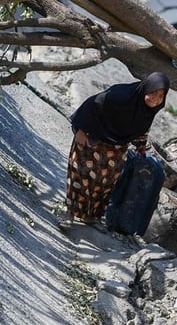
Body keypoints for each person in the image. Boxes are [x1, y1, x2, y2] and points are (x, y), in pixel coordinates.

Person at [61, 72, 170, 229]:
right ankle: (69, 214)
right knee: (81, 175)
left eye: (161, 96)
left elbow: (141, 130)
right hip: (92, 139)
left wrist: (141, 149)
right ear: (146, 88)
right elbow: (92, 104)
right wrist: (81, 130)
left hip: (116, 148)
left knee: (105, 182)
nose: (156, 99)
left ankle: (90, 217)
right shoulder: (120, 96)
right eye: (153, 93)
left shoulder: (147, 110)